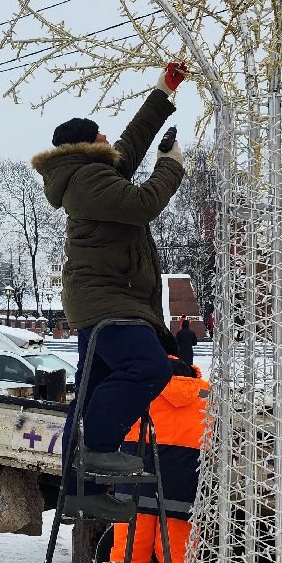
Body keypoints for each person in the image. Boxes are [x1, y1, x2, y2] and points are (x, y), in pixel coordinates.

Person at [31, 62, 188, 522]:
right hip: (111, 302)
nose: (107, 139)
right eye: (100, 135)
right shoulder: (87, 180)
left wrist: (163, 92)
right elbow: (143, 205)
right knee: (147, 366)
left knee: (90, 392)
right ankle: (98, 448)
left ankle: (79, 492)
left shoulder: (87, 174)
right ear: (86, 145)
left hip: (98, 302)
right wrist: (171, 166)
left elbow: (130, 143)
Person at [104, 358, 206, 563]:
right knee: (177, 562)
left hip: (135, 487)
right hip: (185, 491)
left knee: (128, 558)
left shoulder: (140, 387)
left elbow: (110, 423)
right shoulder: (207, 394)